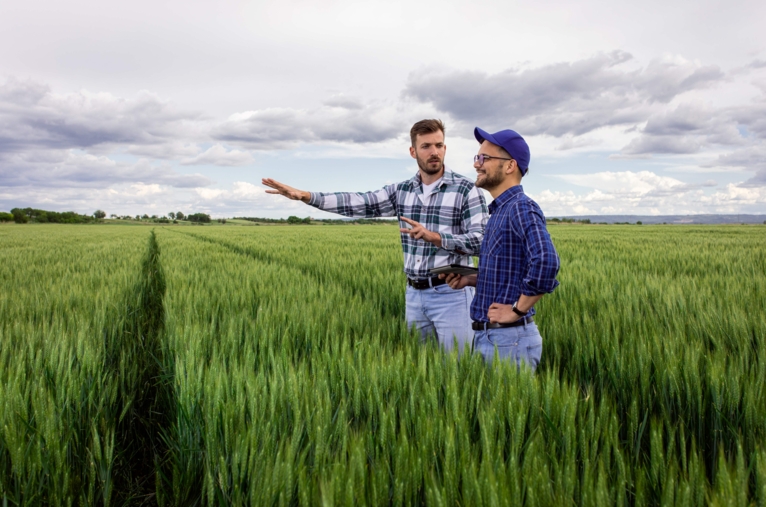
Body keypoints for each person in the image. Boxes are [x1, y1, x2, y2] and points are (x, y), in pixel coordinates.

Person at [262, 119, 488, 353]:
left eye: (439, 145)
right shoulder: (402, 191)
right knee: (418, 366)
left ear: (445, 148)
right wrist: (307, 196)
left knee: (459, 369)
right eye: (426, 146)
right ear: (413, 151)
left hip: (452, 295)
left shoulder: (465, 189)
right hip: (414, 296)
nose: (434, 152)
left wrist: (436, 238)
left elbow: (483, 241)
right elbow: (359, 202)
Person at [442, 127, 560, 371]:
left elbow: (547, 262)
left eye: (485, 158)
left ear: (509, 166)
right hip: (493, 338)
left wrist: (517, 310)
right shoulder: (499, 211)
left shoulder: (520, 207)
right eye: (477, 157)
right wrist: (472, 279)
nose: (477, 164)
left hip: (509, 341)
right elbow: (509, 270)